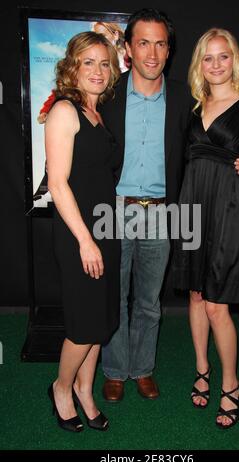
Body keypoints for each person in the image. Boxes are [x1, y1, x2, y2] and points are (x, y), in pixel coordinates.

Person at [100, 9, 239, 403]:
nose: (152, 52)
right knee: (113, 297)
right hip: (113, 210)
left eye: (161, 43)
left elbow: (215, 141)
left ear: (169, 50)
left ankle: (143, 369)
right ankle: (116, 371)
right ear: (129, 48)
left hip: (165, 213)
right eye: (143, 42)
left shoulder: (190, 100)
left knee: (150, 302)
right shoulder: (108, 96)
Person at [173, 28, 239, 428]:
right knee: (196, 297)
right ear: (200, 64)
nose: (216, 64)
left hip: (232, 210)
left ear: (235, 59)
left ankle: (231, 383)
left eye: (223, 56)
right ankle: (202, 369)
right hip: (193, 207)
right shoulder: (194, 106)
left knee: (218, 305)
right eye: (208, 58)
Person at [45, 31, 121, 432]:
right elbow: (58, 184)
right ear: (72, 66)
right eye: (88, 62)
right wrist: (86, 240)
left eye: (104, 63)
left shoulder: (97, 113)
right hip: (80, 234)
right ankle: (61, 386)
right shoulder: (64, 111)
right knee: (84, 323)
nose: (97, 70)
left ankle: (86, 391)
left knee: (102, 319)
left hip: (105, 228)